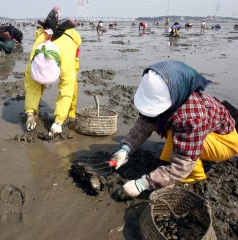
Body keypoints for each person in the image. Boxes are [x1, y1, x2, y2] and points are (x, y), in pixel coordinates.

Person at [110, 60, 238, 198]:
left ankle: (194, 175)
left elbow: (183, 164)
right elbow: (145, 122)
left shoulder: (192, 118)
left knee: (181, 148)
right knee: (173, 130)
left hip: (225, 142)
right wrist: (126, 148)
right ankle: (174, 162)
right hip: (199, 131)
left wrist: (144, 183)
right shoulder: (175, 95)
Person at [24, 6, 81, 138]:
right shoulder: (33, 61)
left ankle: (71, 113)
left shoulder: (66, 62)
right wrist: (30, 114)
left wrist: (58, 122)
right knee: (33, 86)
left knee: (71, 84)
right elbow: (31, 88)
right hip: (45, 43)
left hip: (71, 45)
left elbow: (66, 90)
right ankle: (34, 110)